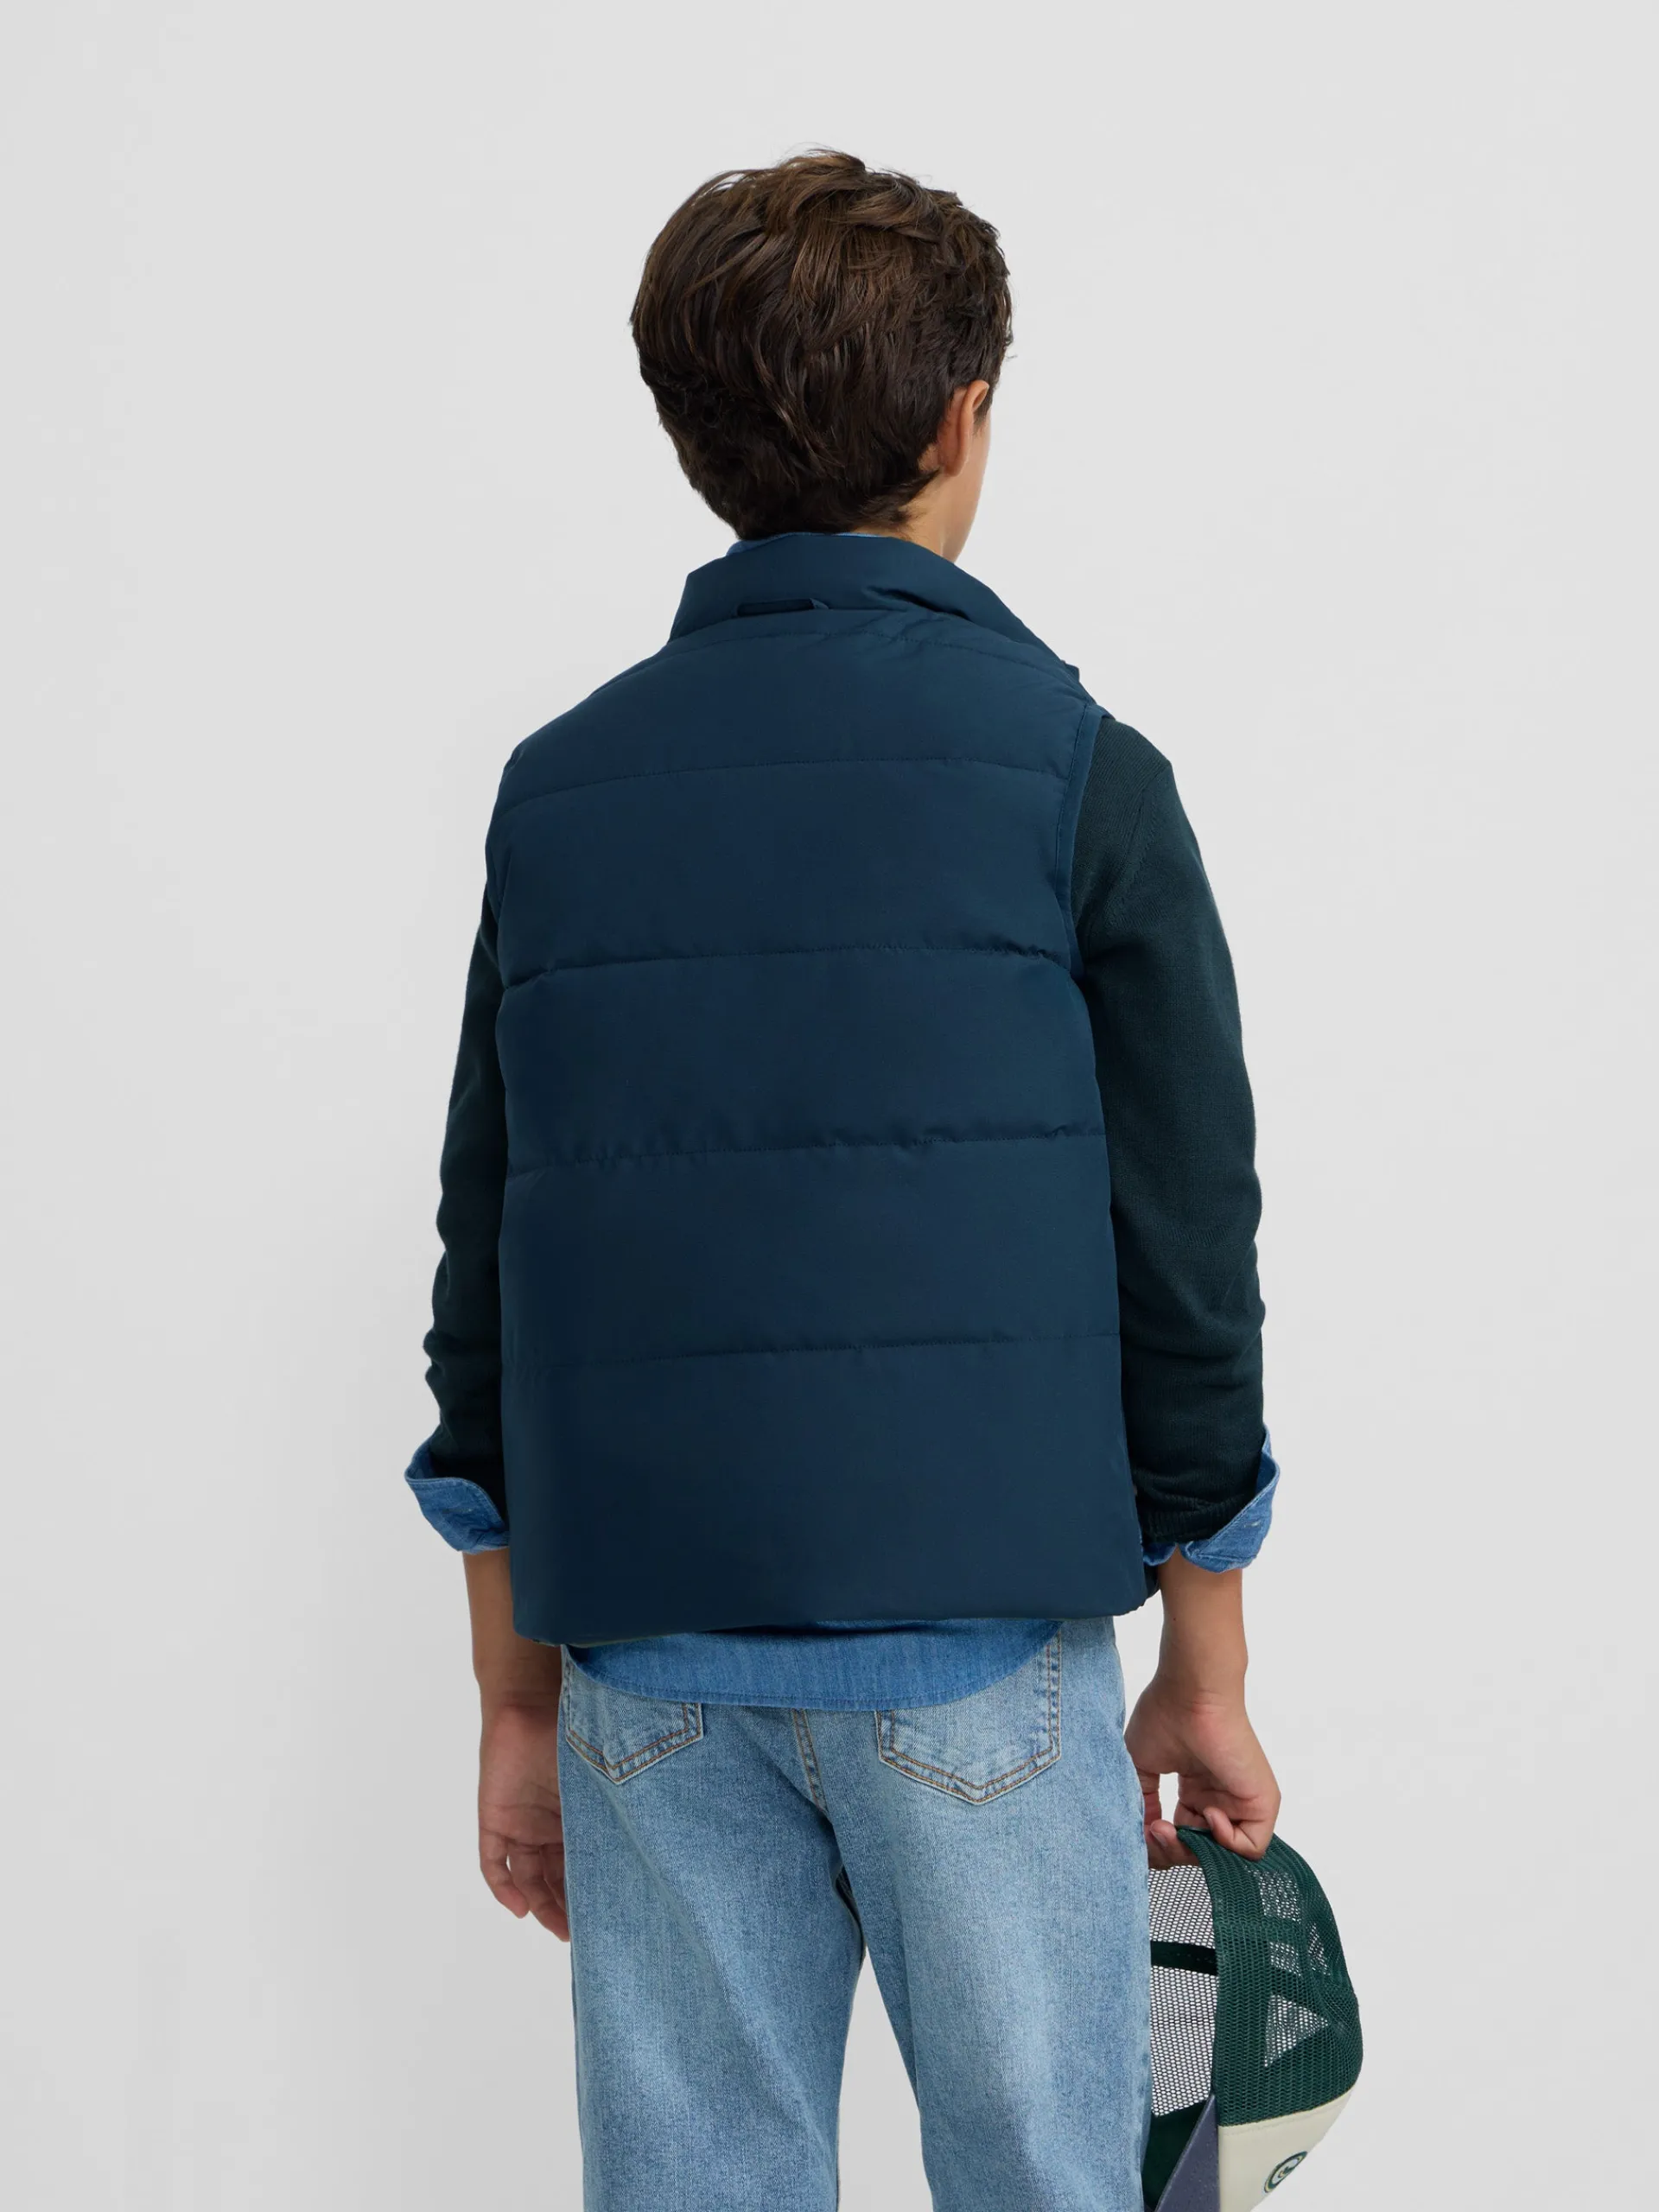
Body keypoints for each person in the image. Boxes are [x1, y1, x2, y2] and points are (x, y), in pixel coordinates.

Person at [405, 149, 1283, 2212]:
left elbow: (487, 1270)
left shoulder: (559, 793)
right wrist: (1210, 1665)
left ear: (689, 438)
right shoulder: (1080, 773)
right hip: (980, 1652)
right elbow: (1184, 1250)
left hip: (648, 1668)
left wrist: (513, 1694)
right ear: (965, 421)